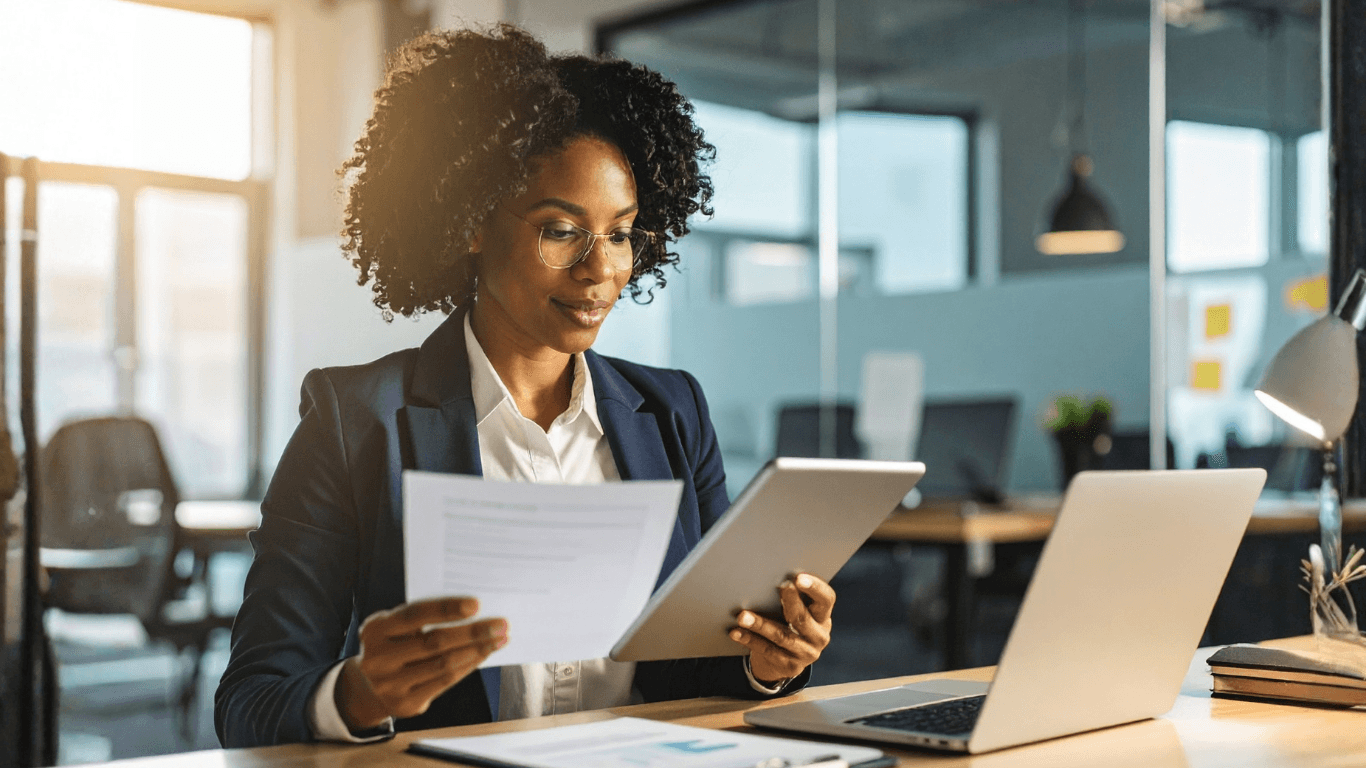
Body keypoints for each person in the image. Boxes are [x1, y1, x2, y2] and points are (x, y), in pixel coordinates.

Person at [215, 24, 837, 749]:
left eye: (621, 234)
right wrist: (357, 693)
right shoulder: (356, 424)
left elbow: (701, 673)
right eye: (560, 230)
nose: (600, 270)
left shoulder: (672, 414)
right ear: (473, 222)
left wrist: (766, 665)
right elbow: (249, 704)